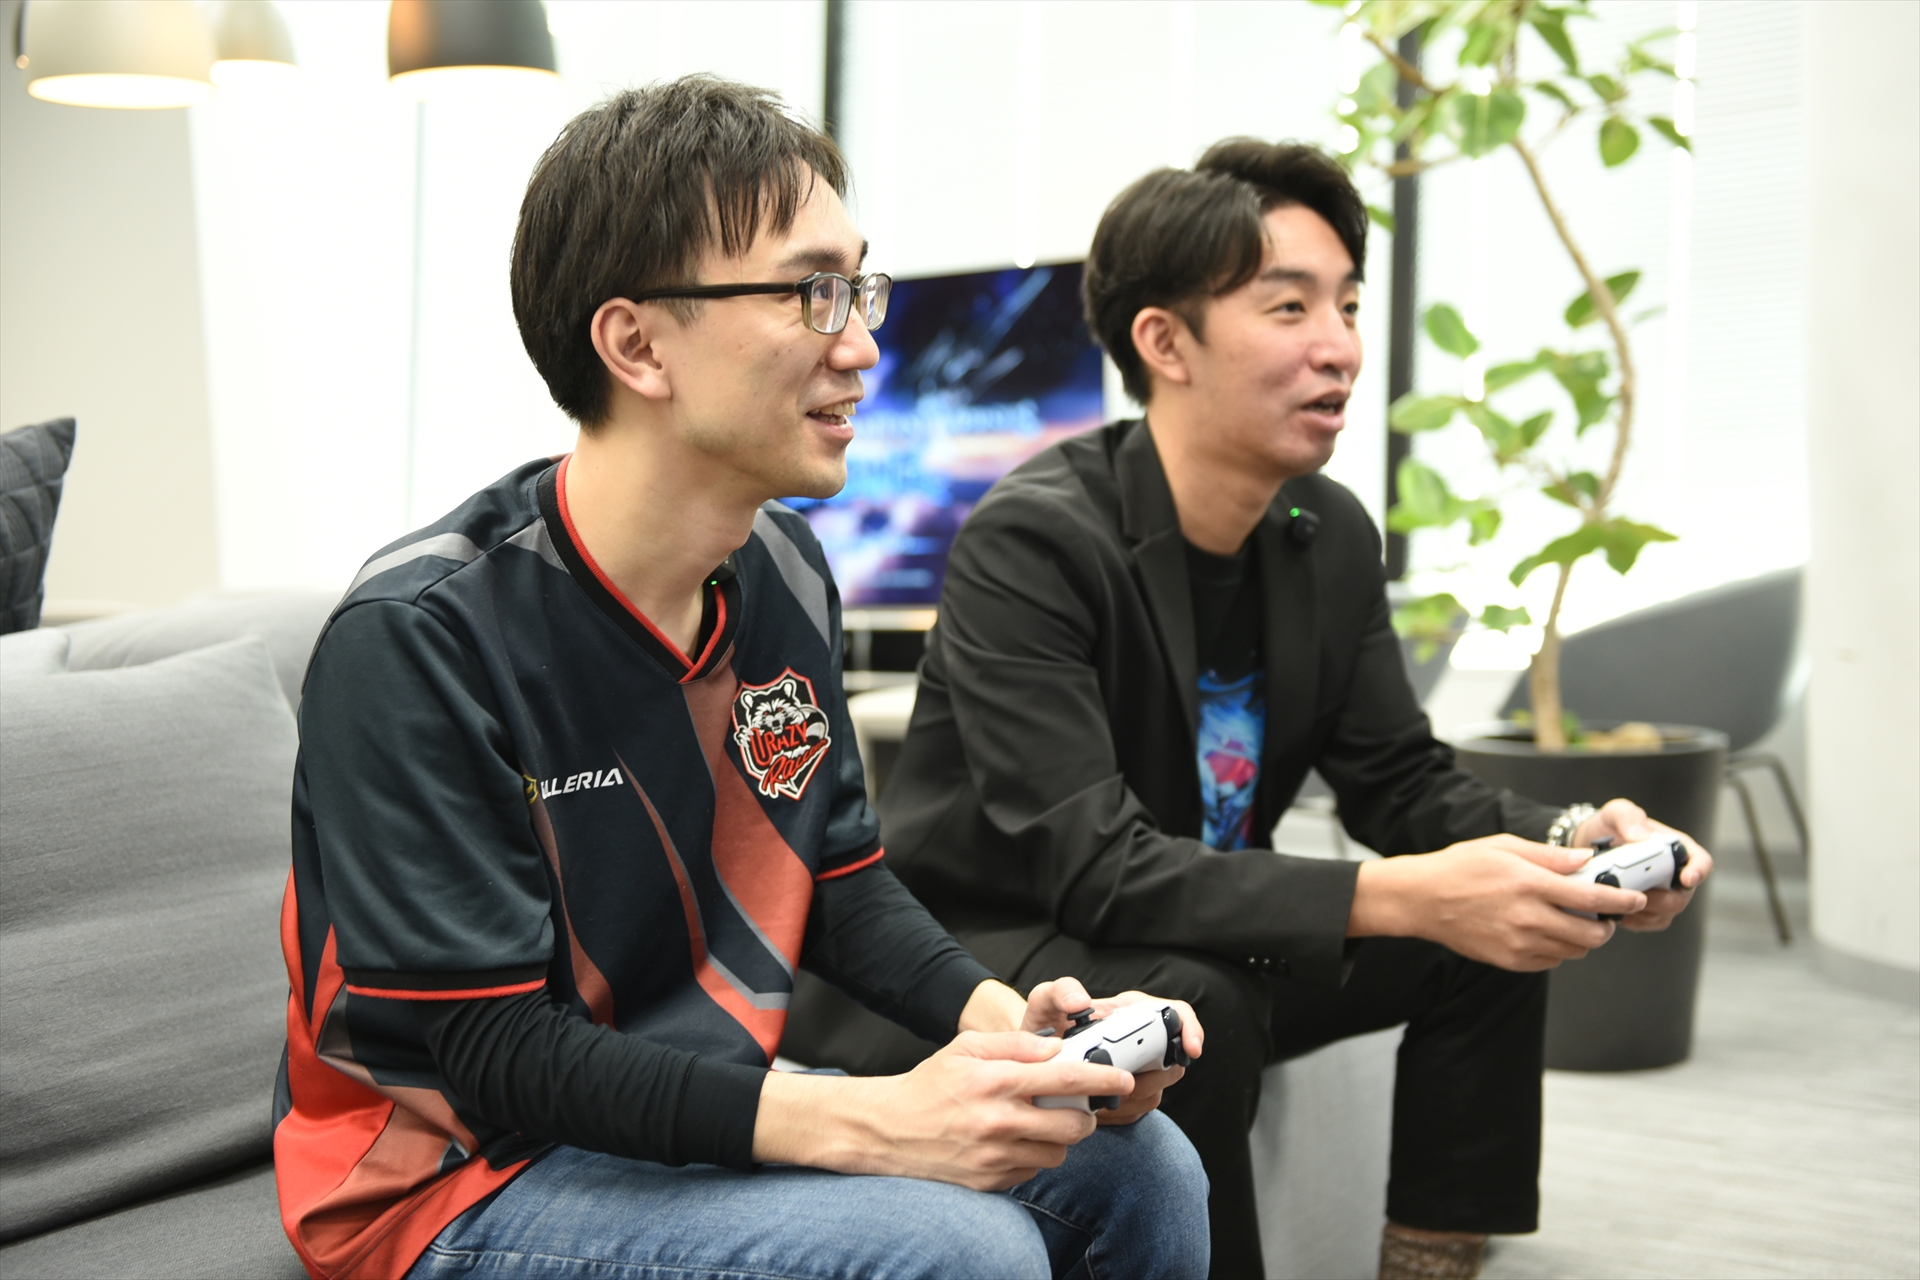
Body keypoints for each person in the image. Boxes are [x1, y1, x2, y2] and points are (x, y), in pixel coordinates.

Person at [272, 77, 1210, 1280]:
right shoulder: (418, 638)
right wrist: (876, 1120)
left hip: (692, 1103)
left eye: (860, 287)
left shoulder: (783, 569)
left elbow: (836, 881)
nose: (862, 343)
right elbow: (491, 1050)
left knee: (1140, 1163)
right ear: (636, 344)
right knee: (963, 1249)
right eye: (812, 292)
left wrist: (1012, 1027)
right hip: (460, 1177)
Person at [788, 140, 1713, 1280]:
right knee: (1198, 1000)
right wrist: (1405, 891)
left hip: (1188, 927)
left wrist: (1568, 842)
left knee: (1478, 939)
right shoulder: (1034, 540)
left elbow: (1400, 780)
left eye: (1349, 305)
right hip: (990, 955)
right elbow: (1097, 866)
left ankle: (1431, 1256)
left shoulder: (1327, 532)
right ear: (1164, 342)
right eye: (1289, 306)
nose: (1341, 346)